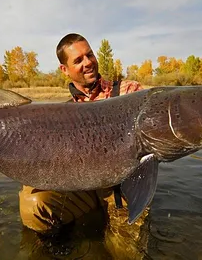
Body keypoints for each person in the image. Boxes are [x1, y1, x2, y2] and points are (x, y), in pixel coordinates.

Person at [18, 34, 148, 257]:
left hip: (122, 195)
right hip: (82, 188)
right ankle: (59, 238)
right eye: (78, 60)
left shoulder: (130, 91)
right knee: (33, 205)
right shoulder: (63, 113)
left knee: (126, 255)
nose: (87, 62)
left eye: (90, 55)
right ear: (64, 70)